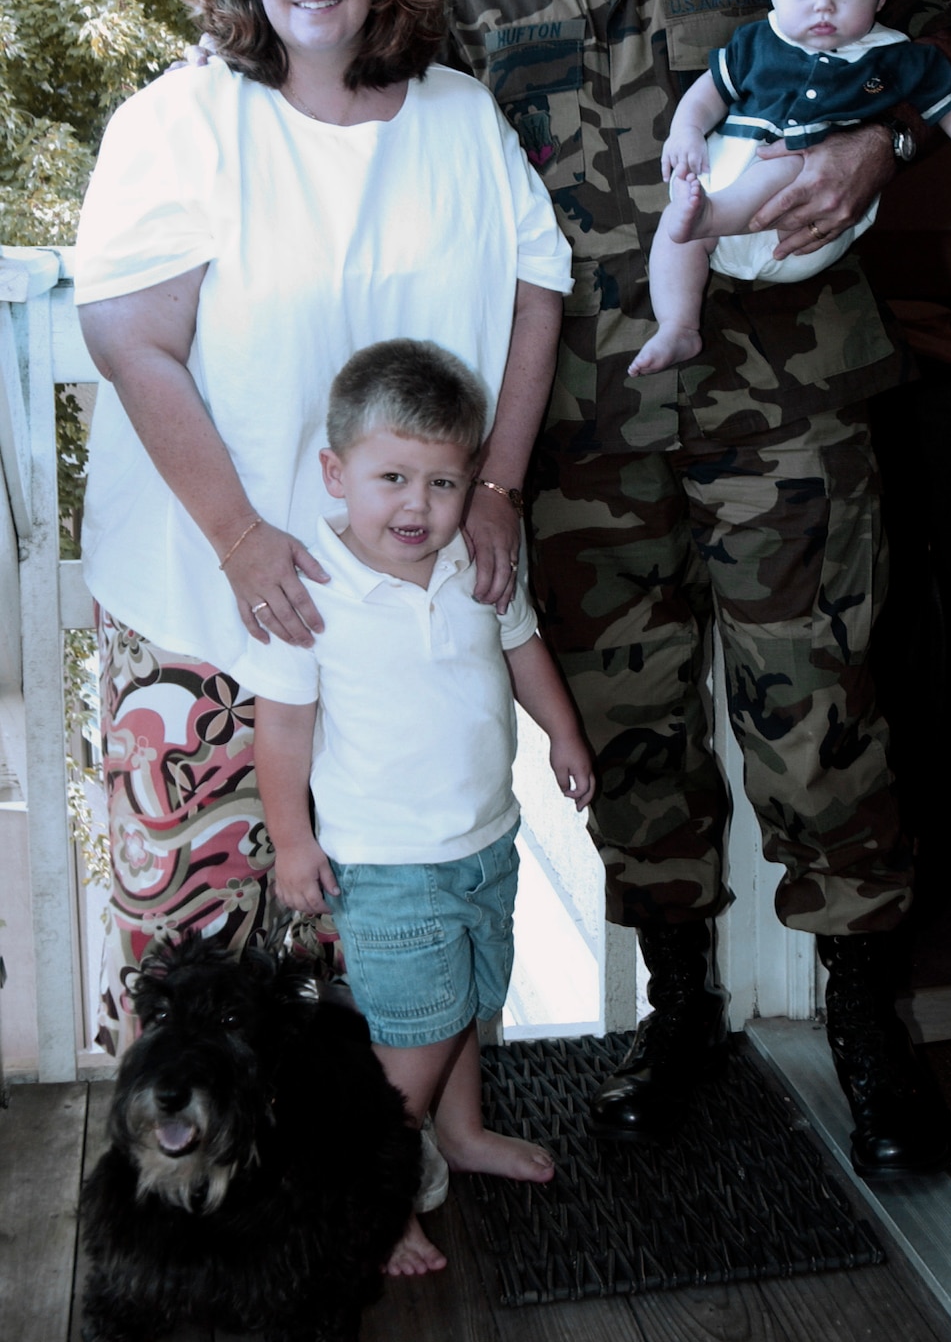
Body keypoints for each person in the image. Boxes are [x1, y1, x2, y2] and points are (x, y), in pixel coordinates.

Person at [440, 0, 951, 1177]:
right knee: (631, 741)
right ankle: (680, 1017)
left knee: (822, 720)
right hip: (583, 422)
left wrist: (880, 150)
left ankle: (871, 1034)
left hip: (784, 406)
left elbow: (936, 51)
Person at [74, 0, 572, 1058]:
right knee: (198, 948)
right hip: (207, 600)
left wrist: (498, 484)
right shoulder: (181, 121)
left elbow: (534, 293)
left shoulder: (458, 117)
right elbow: (133, 337)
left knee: (390, 932)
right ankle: (198, 1221)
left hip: (397, 615)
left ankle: (372, 1189)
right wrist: (243, 535)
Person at [241, 338, 594, 1275]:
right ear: (336, 473)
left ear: (473, 481)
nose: (417, 505)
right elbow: (280, 731)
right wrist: (291, 842)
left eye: (443, 483)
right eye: (391, 477)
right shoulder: (311, 592)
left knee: (463, 1005)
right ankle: (377, 1192)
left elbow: (522, 651)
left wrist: (562, 734)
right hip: (387, 865)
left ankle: (466, 1134)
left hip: (486, 840)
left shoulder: (476, 564)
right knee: (415, 1038)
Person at [629, 0, 951, 374]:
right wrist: (686, 132)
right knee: (672, 232)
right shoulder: (759, 42)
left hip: (805, 231)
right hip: (711, 223)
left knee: (797, 156)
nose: (823, 5)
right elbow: (707, 92)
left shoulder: (897, 56)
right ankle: (679, 327)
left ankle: (711, 217)